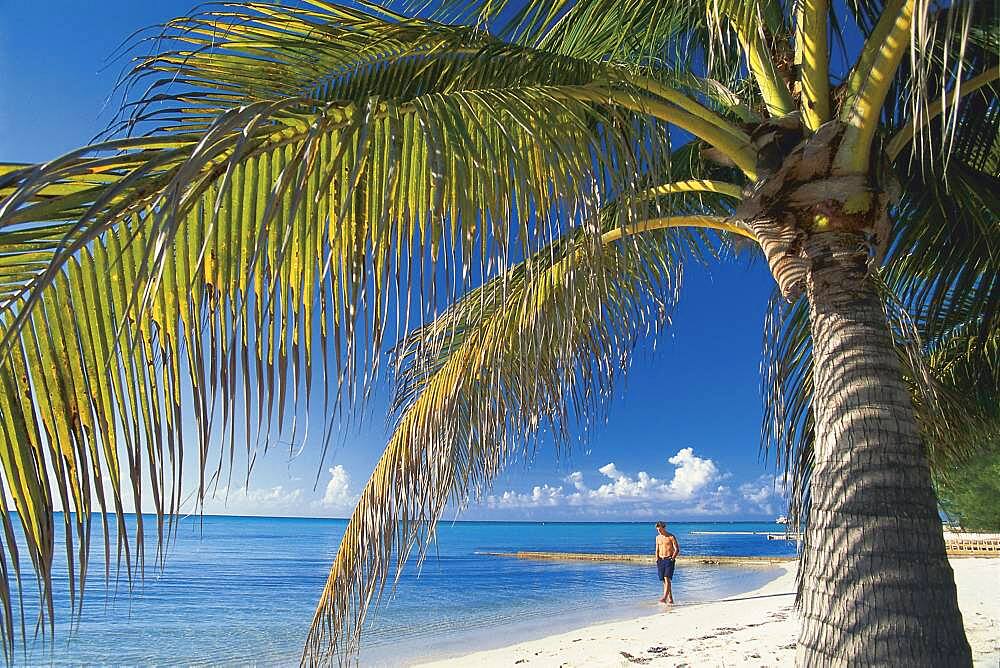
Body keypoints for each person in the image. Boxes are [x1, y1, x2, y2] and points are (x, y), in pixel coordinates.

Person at [654, 521, 679, 604]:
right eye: (658, 530)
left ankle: (664, 598)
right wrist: (657, 559)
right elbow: (657, 549)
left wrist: (673, 558)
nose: (659, 531)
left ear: (664, 528)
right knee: (664, 581)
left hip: (669, 559)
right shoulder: (657, 537)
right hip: (660, 560)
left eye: (660, 529)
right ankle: (670, 598)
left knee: (667, 578)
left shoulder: (671, 537)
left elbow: (677, 549)